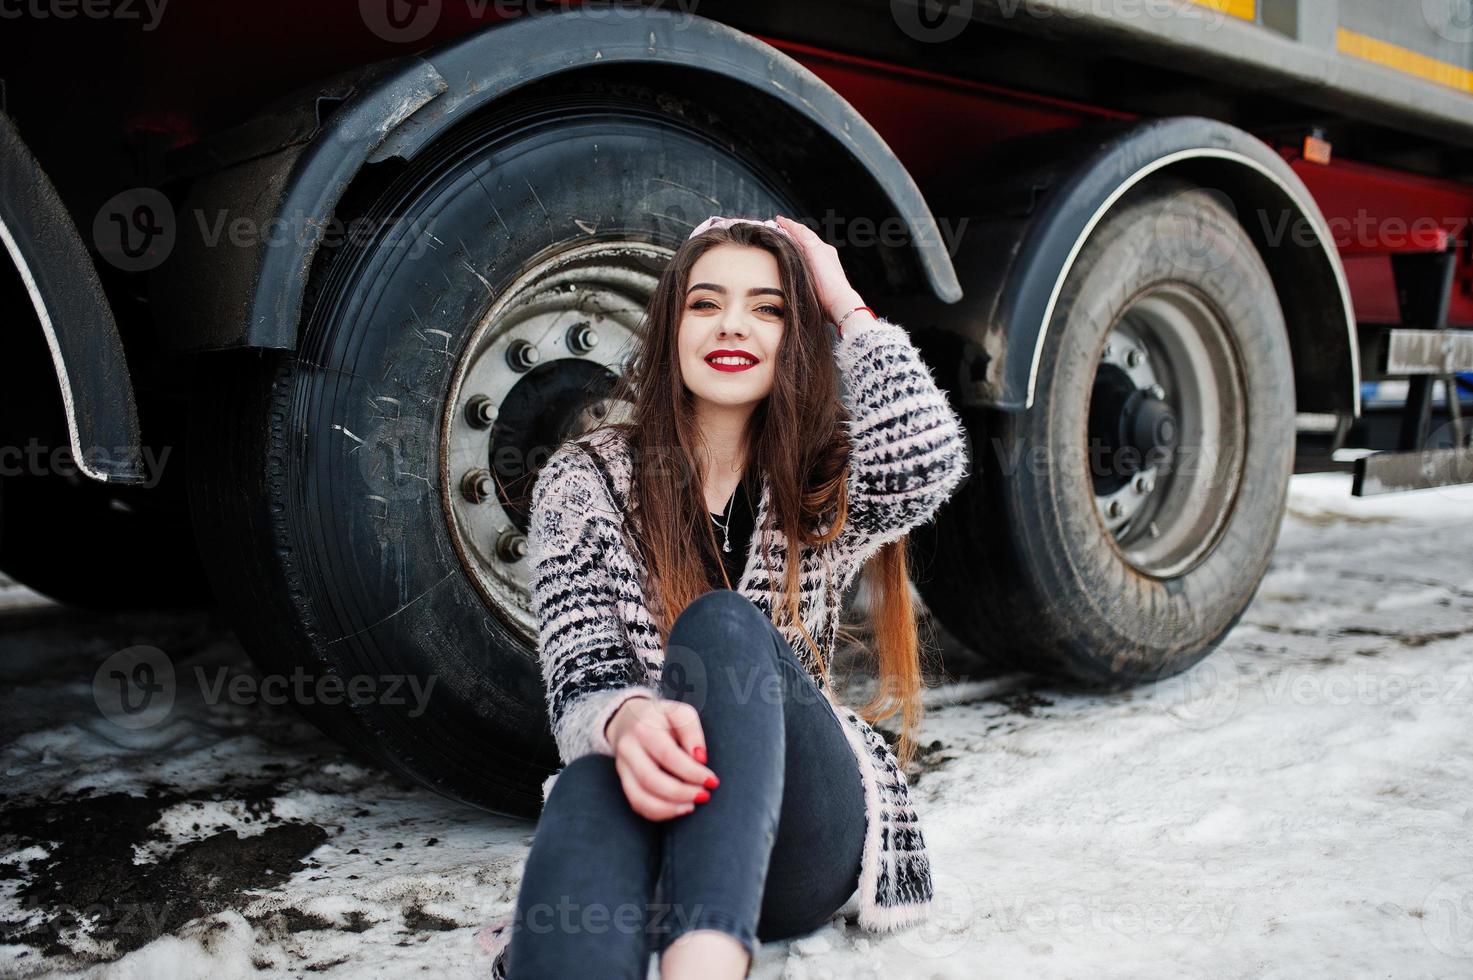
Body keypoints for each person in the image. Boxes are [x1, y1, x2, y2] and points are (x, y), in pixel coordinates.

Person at [483, 214, 970, 979]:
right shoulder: (583, 479)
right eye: (704, 304)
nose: (732, 325)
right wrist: (626, 717)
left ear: (796, 336)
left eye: (769, 308)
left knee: (720, 624)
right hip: (663, 820)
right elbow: (581, 670)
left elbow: (928, 456)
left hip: (800, 834)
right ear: (668, 327)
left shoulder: (820, 476)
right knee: (585, 782)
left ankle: (705, 961)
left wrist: (842, 301)